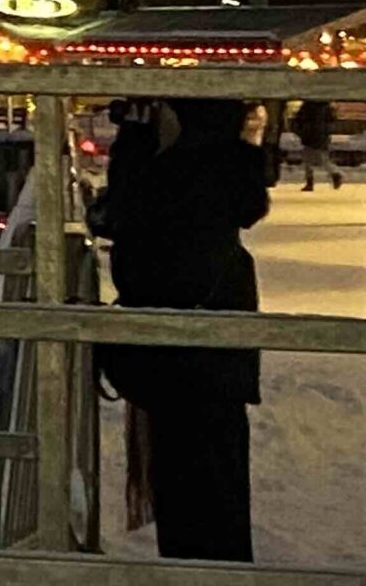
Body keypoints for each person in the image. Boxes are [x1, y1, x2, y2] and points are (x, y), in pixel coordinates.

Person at [98, 95, 271, 562]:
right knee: (217, 496)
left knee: (189, 496)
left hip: (181, 363)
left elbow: (118, 214)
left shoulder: (181, 172)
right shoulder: (224, 167)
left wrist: (134, 140)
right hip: (212, 363)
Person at [292, 98, 342, 191]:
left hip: (309, 134)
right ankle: (334, 174)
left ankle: (311, 181)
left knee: (309, 158)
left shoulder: (307, 105)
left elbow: (300, 118)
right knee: (322, 157)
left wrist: (299, 130)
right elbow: (332, 119)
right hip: (322, 134)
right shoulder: (327, 106)